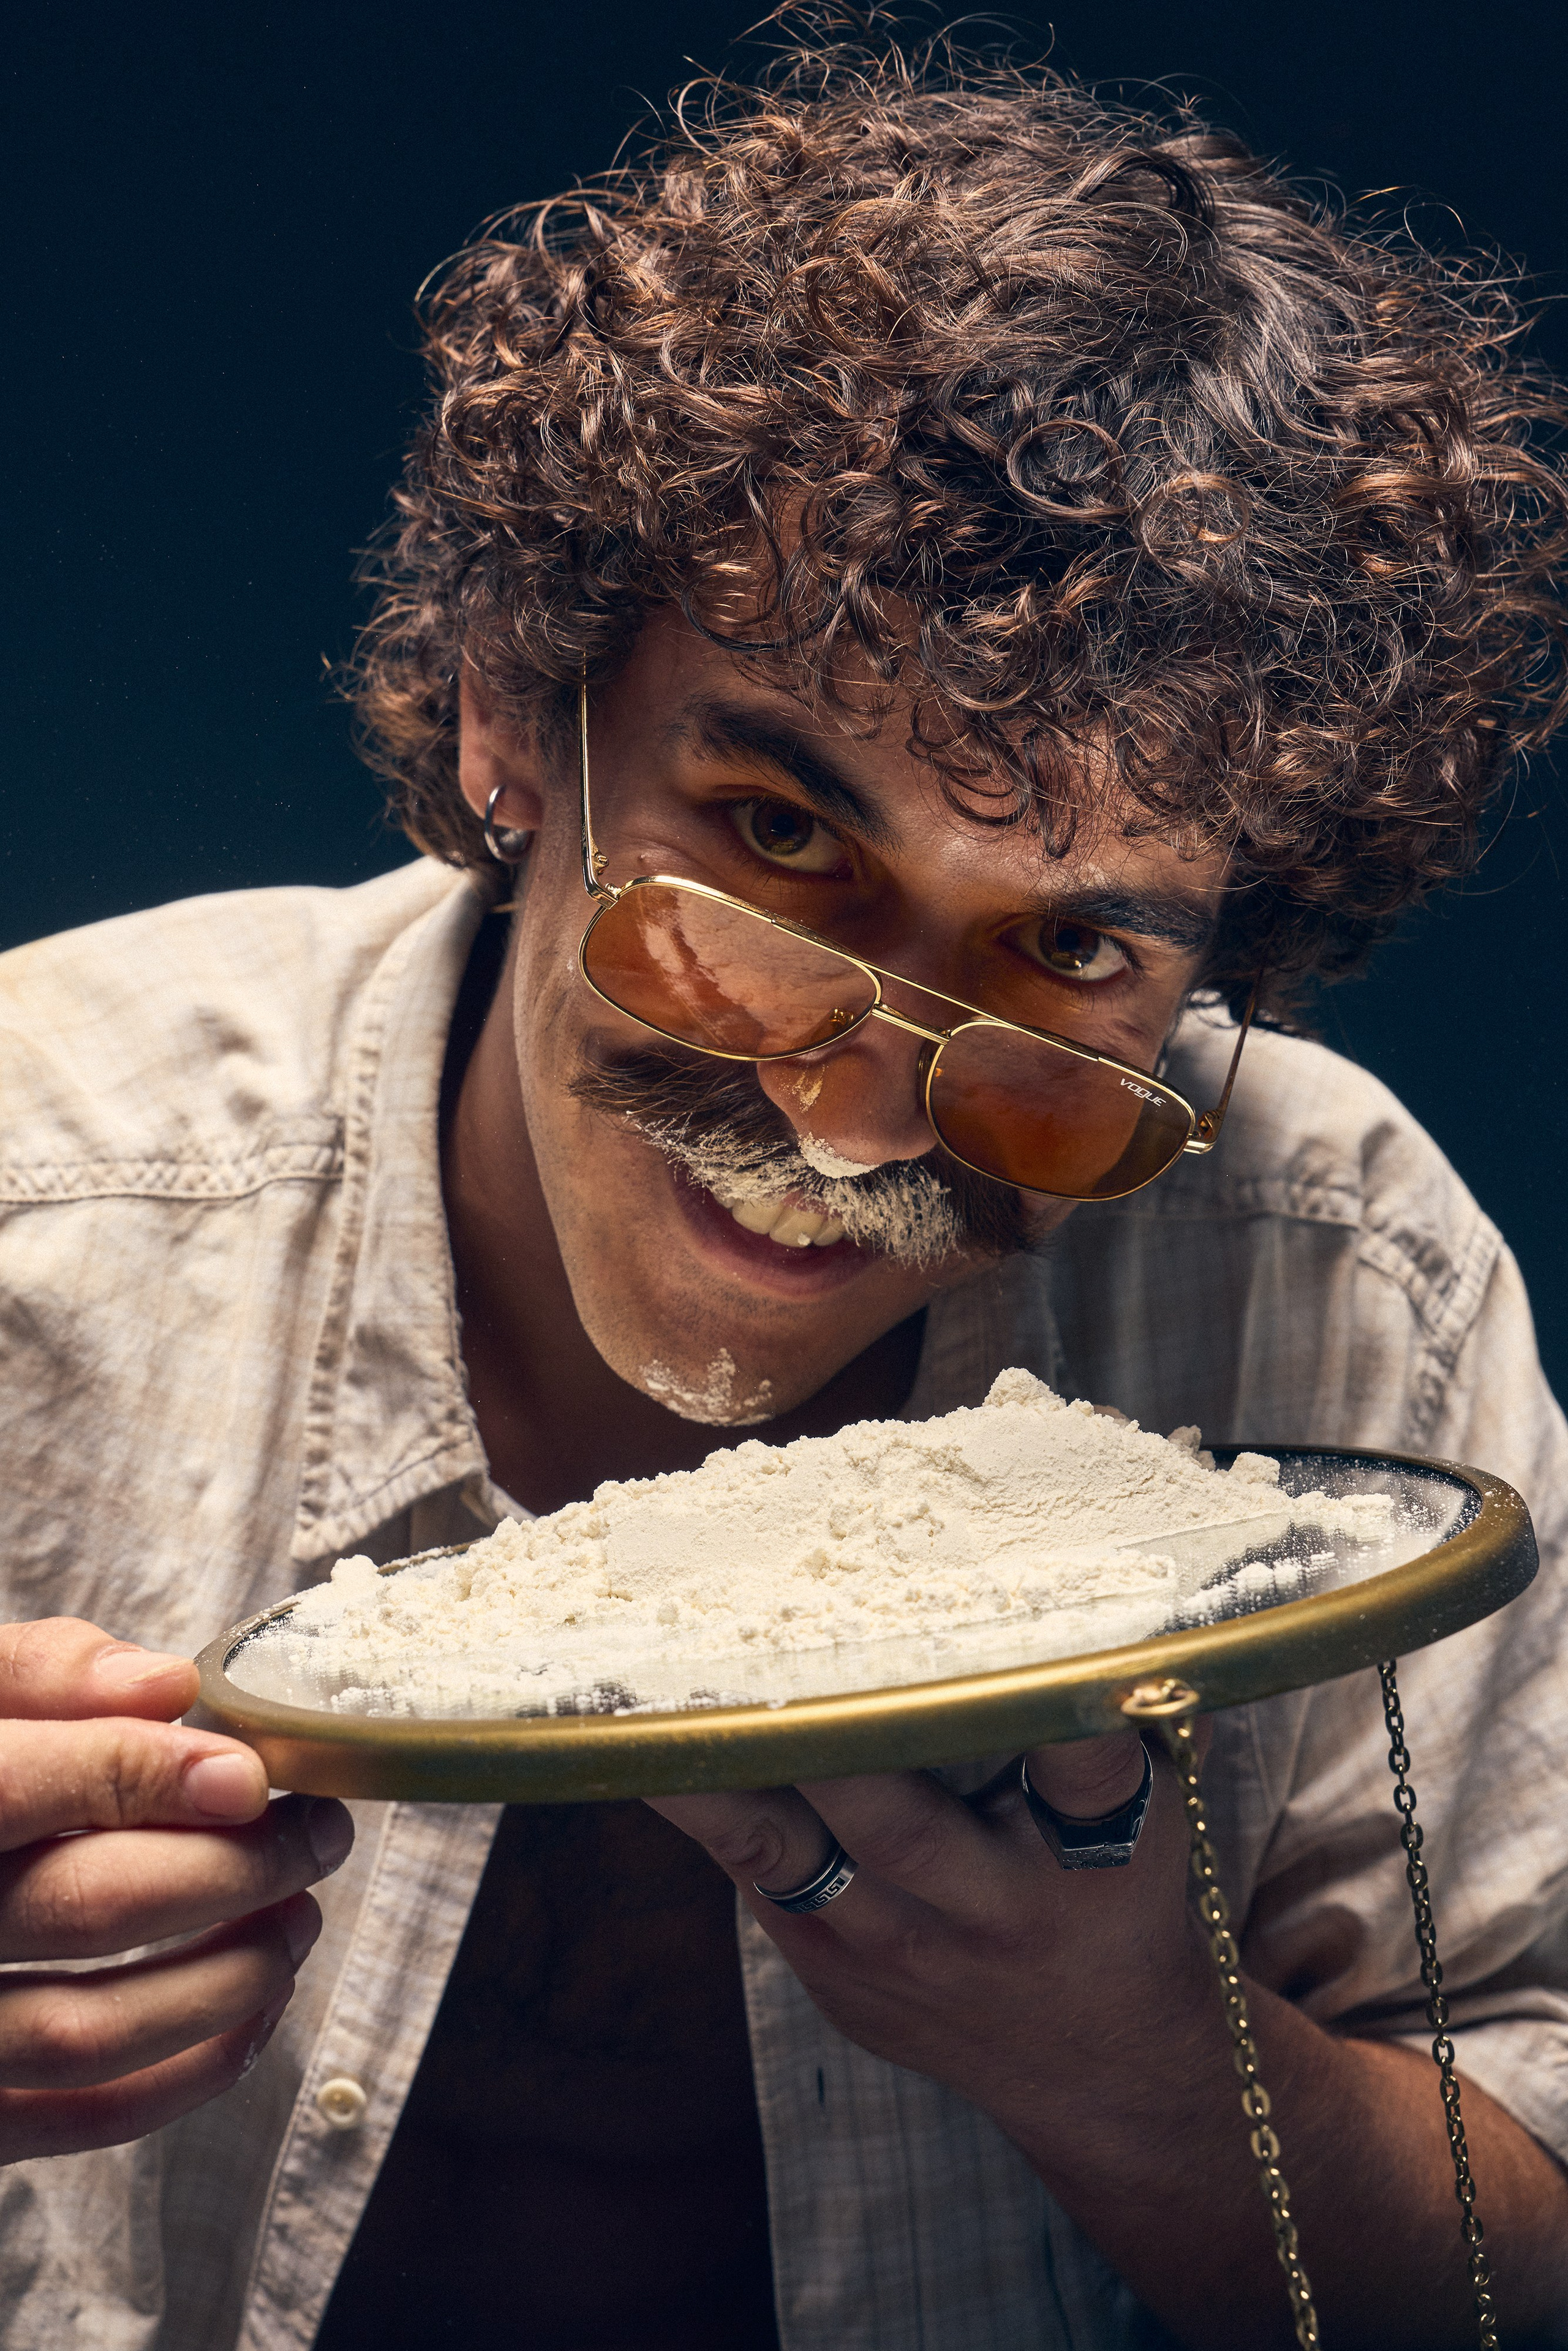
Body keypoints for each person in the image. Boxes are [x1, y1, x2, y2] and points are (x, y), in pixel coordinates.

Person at [2, 23, 1566, 2349]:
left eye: (1067, 949)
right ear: (514, 727)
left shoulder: (1345, 1286)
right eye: (777, 840)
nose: (858, 1124)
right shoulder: (46, 1188)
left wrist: (1150, 2069)